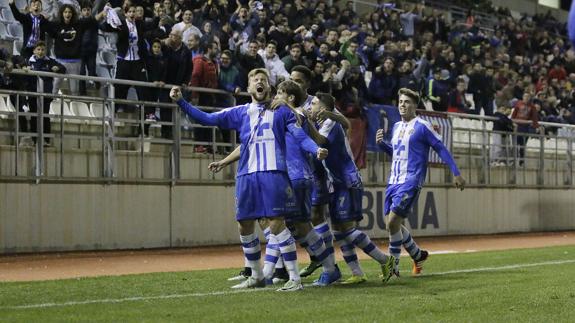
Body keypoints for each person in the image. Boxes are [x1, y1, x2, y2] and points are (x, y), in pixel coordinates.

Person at [170, 68, 328, 291]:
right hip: (246, 175)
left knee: (276, 223)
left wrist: (315, 149)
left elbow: (299, 135)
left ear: (269, 88)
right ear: (249, 88)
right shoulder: (240, 112)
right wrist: (181, 102)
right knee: (244, 224)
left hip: (273, 173)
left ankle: (295, 278)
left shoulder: (281, 111)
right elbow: (207, 119)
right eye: (255, 80)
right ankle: (256, 275)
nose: (260, 83)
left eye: (263, 80)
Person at [209, 80, 341, 287]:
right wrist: (224, 161)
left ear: (290, 98)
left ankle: (325, 268)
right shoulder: (276, 114)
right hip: (289, 175)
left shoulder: (290, 113)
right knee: (283, 224)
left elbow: (302, 130)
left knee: (287, 225)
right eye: (276, 92)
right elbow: (249, 144)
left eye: (280, 93)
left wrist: (314, 146)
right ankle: (272, 272)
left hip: (294, 175)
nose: (275, 96)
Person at [376, 88, 465, 277]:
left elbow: (441, 148)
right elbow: (398, 153)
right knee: (392, 225)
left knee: (392, 222)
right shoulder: (396, 127)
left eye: (407, 102)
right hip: (393, 180)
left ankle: (393, 268)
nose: (402, 105)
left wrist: (456, 172)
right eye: (400, 101)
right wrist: (383, 145)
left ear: (415, 106)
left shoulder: (423, 126)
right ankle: (418, 255)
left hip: (411, 179)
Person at [309, 92, 395, 284]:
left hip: (347, 181)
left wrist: (305, 125)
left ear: (323, 108)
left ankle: (386, 260)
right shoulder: (323, 123)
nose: (310, 107)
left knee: (346, 229)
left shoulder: (330, 124)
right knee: (339, 231)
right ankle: (357, 273)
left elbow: (320, 143)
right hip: (337, 182)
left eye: (313, 104)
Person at [24, 41, 67, 146]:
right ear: (34, 50)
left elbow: (63, 68)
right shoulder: (28, 61)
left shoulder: (50, 61)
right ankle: (34, 140)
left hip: (46, 94)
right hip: (33, 94)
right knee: (34, 116)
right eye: (38, 49)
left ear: (45, 51)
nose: (40, 52)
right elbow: (21, 68)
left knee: (45, 116)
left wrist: (58, 68)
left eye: (43, 49)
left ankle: (46, 140)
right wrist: (25, 68)